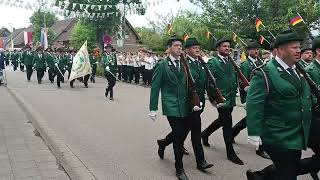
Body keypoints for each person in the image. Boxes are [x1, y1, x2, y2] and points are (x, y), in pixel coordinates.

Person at [245, 30, 312, 180]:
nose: (298, 50)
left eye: (299, 47)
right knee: (288, 174)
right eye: (294, 47)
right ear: (281, 49)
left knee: (290, 169)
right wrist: (254, 132)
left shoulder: (298, 69)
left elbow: (305, 98)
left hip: (297, 133)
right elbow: (254, 104)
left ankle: (260, 177)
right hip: (278, 136)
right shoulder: (265, 72)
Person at [156, 38, 214, 178]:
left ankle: (164, 143)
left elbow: (206, 83)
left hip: (198, 104)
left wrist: (213, 98)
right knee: (184, 133)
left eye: (198, 47)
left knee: (185, 133)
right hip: (187, 105)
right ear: (187, 50)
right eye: (194, 47)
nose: (198, 49)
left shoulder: (202, 63)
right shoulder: (183, 64)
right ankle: (196, 162)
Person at [201, 37, 244, 165]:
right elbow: (208, 82)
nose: (227, 48)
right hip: (221, 99)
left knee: (222, 120)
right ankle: (230, 152)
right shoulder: (212, 63)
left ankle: (205, 133)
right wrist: (213, 98)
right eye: (224, 46)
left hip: (230, 98)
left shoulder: (231, 61)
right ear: (218, 48)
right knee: (227, 123)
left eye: (228, 46)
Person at [231, 41, 270, 159]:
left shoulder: (260, 62)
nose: (256, 51)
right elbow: (243, 83)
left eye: (257, 49)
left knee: (250, 120)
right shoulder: (245, 65)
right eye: (253, 49)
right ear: (248, 51)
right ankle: (261, 148)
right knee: (259, 120)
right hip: (250, 97)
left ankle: (231, 133)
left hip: (260, 97)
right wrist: (245, 99)